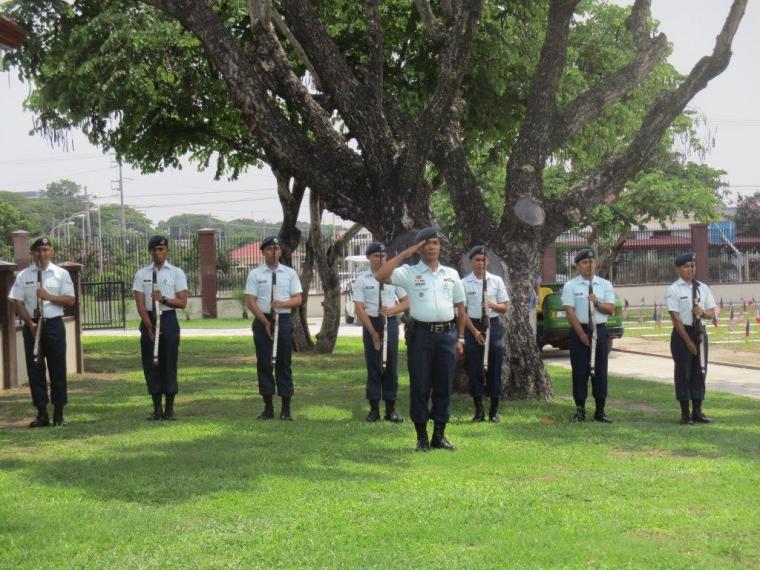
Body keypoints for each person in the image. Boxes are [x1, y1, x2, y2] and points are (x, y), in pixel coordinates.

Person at [375, 227, 466, 451]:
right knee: (420, 385)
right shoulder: (408, 272)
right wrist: (406, 254)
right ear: (419, 248)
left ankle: (439, 435)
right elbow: (381, 275)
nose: (431, 247)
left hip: (446, 335)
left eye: (435, 243)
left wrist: (461, 338)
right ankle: (421, 437)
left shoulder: (451, 274)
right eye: (426, 243)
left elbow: (461, 307)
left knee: (444, 386)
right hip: (421, 336)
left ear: (440, 247)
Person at [8, 237, 76, 427]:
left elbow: (70, 300)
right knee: (35, 369)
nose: (42, 254)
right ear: (32, 253)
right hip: (33, 325)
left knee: (57, 369)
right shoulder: (23, 275)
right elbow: (17, 301)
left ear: (51, 251)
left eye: (45, 250)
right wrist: (29, 323)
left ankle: (59, 413)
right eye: (38, 250)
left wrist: (49, 296)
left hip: (53, 324)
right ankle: (42, 413)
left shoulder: (61, 274)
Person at [245, 236, 303, 420]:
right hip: (263, 320)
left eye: (277, 248)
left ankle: (286, 409)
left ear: (281, 252)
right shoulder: (255, 274)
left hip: (283, 319)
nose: (274, 252)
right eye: (270, 248)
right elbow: (250, 301)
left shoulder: (289, 273)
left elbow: (298, 299)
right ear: (263, 252)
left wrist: (282, 303)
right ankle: (268, 407)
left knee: (284, 363)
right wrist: (264, 322)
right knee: (264, 363)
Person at [353, 241, 410, 423]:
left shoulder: (394, 276)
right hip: (372, 321)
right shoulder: (362, 279)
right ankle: (374, 409)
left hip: (390, 321)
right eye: (376, 256)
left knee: (391, 365)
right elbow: (359, 307)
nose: (380, 259)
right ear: (369, 257)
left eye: (383, 256)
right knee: (373, 365)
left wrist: (392, 311)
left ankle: (391, 409)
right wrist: (372, 332)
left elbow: (406, 301)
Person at [133, 236, 188, 420]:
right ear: (150, 251)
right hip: (149, 319)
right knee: (151, 363)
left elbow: (182, 302)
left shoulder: (176, 272)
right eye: (155, 249)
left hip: (168, 319)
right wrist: (148, 325)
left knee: (169, 362)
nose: (158, 253)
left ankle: (169, 409)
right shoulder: (142, 274)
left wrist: (163, 299)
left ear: (167, 250)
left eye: (161, 249)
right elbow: (140, 303)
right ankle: (156, 408)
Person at [561, 248, 615, 423]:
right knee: (580, 371)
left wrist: (597, 302)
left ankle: (600, 411)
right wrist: (581, 334)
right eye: (585, 262)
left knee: (600, 371)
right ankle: (580, 410)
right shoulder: (571, 285)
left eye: (592, 262)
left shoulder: (605, 284)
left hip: (600, 330)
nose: (589, 265)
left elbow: (610, 309)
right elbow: (570, 312)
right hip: (580, 331)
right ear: (578, 265)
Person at [666, 252, 716, 425]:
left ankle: (697, 411)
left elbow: (711, 312)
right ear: (679, 269)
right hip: (682, 334)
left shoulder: (703, 287)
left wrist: (702, 312)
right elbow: (676, 318)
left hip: (700, 332)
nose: (690, 269)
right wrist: (688, 342)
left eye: (692, 266)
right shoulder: (674, 289)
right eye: (686, 266)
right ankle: (685, 413)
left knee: (699, 372)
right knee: (683, 373)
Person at [462, 246, 509, 423]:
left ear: (487, 261)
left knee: (495, 366)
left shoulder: (496, 281)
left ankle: (494, 411)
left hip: (493, 325)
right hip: (473, 325)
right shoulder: (464, 283)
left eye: (483, 260)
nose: (480, 263)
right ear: (471, 262)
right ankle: (479, 410)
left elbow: (505, 306)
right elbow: (462, 312)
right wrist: (473, 332)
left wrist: (493, 305)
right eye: (477, 260)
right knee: (474, 367)